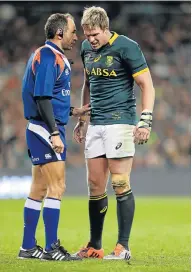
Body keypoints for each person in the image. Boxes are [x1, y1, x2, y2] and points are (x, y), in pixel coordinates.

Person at [73, 6, 155, 260]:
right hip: (96, 123)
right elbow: (88, 83)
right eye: (87, 35)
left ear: (106, 28)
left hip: (120, 122)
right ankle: (95, 246)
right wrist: (83, 119)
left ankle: (123, 247)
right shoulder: (87, 49)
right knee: (95, 185)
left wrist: (145, 121)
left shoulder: (127, 47)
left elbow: (147, 85)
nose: (91, 40)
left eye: (95, 34)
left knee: (119, 183)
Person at [18, 13, 90, 261]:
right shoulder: (49, 56)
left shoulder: (52, 56)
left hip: (41, 127)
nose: (75, 36)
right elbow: (42, 98)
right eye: (72, 31)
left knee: (39, 188)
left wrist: (73, 111)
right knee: (57, 187)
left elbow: (51, 97)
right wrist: (54, 132)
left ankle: (27, 247)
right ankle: (51, 248)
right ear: (60, 33)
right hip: (44, 130)